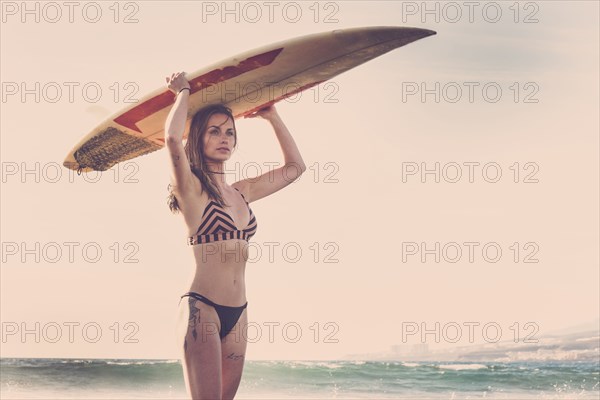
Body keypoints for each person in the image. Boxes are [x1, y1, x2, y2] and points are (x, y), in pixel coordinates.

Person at [164, 71, 306, 400]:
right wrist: (182, 92)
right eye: (214, 132)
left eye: (229, 132)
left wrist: (272, 116)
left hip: (239, 312)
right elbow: (172, 140)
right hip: (203, 309)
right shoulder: (191, 190)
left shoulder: (242, 192)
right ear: (198, 138)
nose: (224, 138)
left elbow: (295, 168)